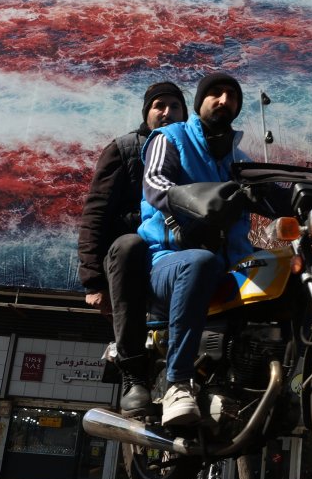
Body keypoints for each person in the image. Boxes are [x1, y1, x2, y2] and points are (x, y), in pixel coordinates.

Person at [139, 72, 255, 427]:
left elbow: (270, 193)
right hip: (168, 261)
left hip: (229, 268)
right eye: (215, 93)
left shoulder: (239, 159)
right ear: (199, 102)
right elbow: (155, 182)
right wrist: (194, 200)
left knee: (285, 270)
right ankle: (177, 383)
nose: (224, 100)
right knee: (200, 262)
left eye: (232, 96)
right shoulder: (170, 137)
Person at [78, 82, 188, 415]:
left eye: (175, 106)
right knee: (131, 244)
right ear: (147, 112)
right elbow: (96, 213)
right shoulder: (125, 149)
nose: (167, 112)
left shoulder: (194, 152)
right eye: (159, 105)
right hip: (132, 258)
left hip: (176, 254)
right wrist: (93, 281)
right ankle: (133, 374)